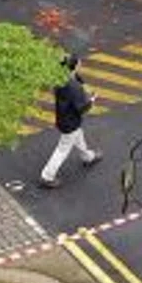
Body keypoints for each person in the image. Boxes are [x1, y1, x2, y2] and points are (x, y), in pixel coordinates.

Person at [38, 55, 99, 188]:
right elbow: (82, 108)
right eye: (79, 64)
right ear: (75, 66)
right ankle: (47, 176)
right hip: (70, 122)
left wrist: (84, 85)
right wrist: (92, 100)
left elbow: (76, 77)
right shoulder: (74, 88)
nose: (80, 66)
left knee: (78, 136)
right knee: (62, 149)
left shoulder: (60, 78)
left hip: (63, 117)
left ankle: (88, 157)